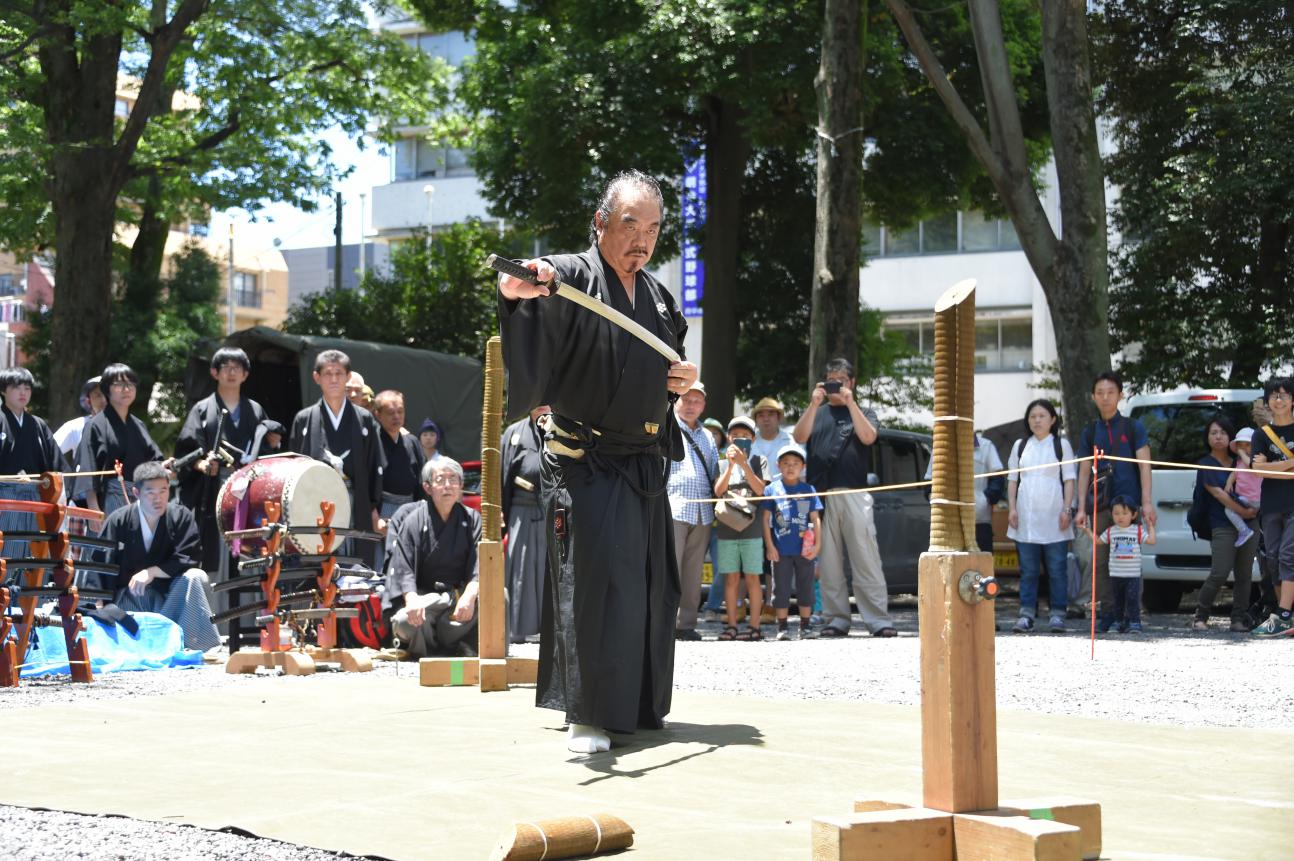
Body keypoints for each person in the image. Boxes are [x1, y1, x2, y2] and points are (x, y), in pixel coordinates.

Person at [496, 168, 696, 754]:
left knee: (650, 587)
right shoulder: (575, 276)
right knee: (592, 584)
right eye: (630, 224)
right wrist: (519, 289)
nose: (642, 239)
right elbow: (529, 285)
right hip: (583, 462)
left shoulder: (657, 296)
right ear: (601, 222)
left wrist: (679, 379)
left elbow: (670, 368)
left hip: (642, 463)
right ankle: (584, 712)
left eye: (654, 228)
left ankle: (634, 706)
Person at [793, 358, 895, 638]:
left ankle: (877, 619)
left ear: (851, 382)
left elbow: (868, 437)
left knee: (866, 558)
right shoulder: (818, 412)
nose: (835, 384)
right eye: (830, 379)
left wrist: (851, 403)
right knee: (828, 562)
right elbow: (799, 436)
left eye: (840, 379)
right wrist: (814, 404)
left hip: (854, 492)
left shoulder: (864, 412)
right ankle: (836, 618)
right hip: (821, 495)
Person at [101, 461, 220, 651]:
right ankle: (165, 643)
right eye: (151, 492)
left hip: (169, 600)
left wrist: (152, 572)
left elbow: (190, 556)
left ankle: (198, 645)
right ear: (136, 493)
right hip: (132, 603)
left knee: (196, 576)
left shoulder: (180, 516)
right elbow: (100, 566)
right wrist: (101, 608)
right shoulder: (118, 520)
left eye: (163, 490)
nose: (159, 499)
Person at [172, 347, 269, 573]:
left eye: (238, 368)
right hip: (213, 488)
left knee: (247, 547)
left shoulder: (255, 410)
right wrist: (201, 464)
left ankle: (247, 605)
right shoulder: (202, 409)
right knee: (213, 549)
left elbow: (263, 453)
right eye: (226, 367)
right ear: (215, 372)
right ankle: (211, 606)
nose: (232, 373)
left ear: (245, 374)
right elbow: (185, 452)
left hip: (248, 491)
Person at [289, 349, 385, 567]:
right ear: (317, 377)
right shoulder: (304, 419)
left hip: (354, 497)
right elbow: (294, 468)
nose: (333, 379)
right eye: (327, 373)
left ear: (348, 377)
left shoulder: (364, 420)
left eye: (339, 373)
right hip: (315, 502)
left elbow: (374, 465)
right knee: (319, 562)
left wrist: (372, 506)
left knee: (354, 559)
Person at [1073, 371, 1154, 622]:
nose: (1105, 397)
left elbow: (1145, 465)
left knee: (1130, 561)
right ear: (1093, 397)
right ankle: (1108, 612)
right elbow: (1084, 469)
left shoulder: (1133, 427)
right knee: (1100, 562)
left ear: (1121, 394)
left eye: (1110, 392)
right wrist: (1080, 508)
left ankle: (1131, 615)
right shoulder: (1089, 431)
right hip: (1100, 504)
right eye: (1100, 393)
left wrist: (1147, 502)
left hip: (1129, 507)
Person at [385, 459, 481, 658]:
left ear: (461, 485)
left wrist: (470, 596)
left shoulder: (472, 519)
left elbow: (478, 563)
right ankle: (432, 653)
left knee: (500, 596)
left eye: (453, 479)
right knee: (404, 621)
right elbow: (404, 568)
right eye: (440, 480)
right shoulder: (413, 521)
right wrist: (412, 600)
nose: (448, 485)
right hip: (425, 600)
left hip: (458, 598)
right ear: (427, 488)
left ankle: (474, 649)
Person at [1005, 399, 1076, 634]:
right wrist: (1012, 508)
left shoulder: (1060, 444)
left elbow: (1069, 479)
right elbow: (1013, 479)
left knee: (1057, 568)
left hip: (1055, 517)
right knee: (1028, 569)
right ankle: (1026, 613)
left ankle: (1057, 613)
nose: (1037, 420)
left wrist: (1067, 509)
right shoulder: (1021, 445)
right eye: (1033, 416)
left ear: (1053, 420)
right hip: (1026, 516)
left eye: (1042, 416)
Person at [1193, 415, 1258, 631]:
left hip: (1250, 525)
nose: (1218, 437)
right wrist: (1246, 512)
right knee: (1220, 572)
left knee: (1244, 575)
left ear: (1231, 436)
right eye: (1213, 432)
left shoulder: (1241, 460)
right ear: (1207, 437)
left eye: (1222, 432)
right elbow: (1220, 495)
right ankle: (1200, 616)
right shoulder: (1205, 464)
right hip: (1222, 524)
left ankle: (1238, 619)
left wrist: (1252, 513)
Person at [78, 363, 164, 519]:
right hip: (109, 499)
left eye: (131, 384)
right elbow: (89, 469)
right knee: (109, 542)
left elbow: (154, 459)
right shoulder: (95, 425)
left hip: (140, 499)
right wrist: (93, 509)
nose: (127, 389)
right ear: (106, 389)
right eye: (120, 384)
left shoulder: (138, 425)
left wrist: (164, 467)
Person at [667, 379, 718, 641]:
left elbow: (714, 473)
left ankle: (685, 624)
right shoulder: (666, 427)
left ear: (703, 405)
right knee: (670, 570)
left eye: (697, 400)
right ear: (676, 400)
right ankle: (664, 624)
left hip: (703, 512)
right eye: (686, 399)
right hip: (673, 507)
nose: (691, 405)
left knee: (693, 571)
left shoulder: (708, 436)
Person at [713, 416, 767, 641]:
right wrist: (732, 464)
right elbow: (718, 491)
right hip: (727, 527)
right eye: (735, 436)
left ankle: (755, 627)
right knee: (731, 578)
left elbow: (761, 490)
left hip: (752, 528)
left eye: (745, 436)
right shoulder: (721, 462)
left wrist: (744, 464)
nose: (740, 439)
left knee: (754, 578)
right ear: (728, 438)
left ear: (753, 439)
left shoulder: (759, 460)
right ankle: (732, 625)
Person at [0, 368, 62, 561]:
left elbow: (55, 464)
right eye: (16, 387)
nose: (23, 393)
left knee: (35, 553)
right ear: (3, 390)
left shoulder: (38, 425)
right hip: (5, 496)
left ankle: (32, 591)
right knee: (8, 551)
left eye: (27, 388)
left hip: (36, 497)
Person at [762, 444, 822, 641]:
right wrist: (770, 546)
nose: (790, 467)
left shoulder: (808, 489)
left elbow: (815, 519)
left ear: (803, 466)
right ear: (778, 466)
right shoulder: (772, 489)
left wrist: (817, 545)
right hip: (780, 549)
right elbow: (765, 519)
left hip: (804, 549)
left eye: (795, 463)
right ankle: (783, 627)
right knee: (781, 589)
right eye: (786, 463)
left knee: (806, 587)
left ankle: (805, 626)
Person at [502, 406, 551, 643]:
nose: (541, 403)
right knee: (520, 566)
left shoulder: (563, 431)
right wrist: (502, 514)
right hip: (521, 510)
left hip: (554, 511)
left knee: (550, 569)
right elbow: (503, 476)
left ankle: (550, 629)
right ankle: (519, 629)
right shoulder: (514, 433)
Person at [1250, 377, 1294, 638]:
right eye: (1274, 395)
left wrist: (1269, 467)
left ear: (1292, 400)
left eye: (1284, 394)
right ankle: (1286, 615)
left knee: (1289, 555)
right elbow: (1257, 471)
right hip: (1271, 505)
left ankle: (1283, 614)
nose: (1279, 399)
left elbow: (1264, 468)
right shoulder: (1261, 434)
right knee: (1274, 559)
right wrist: (1288, 466)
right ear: (1267, 402)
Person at [923, 430, 1006, 553]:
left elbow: (998, 480)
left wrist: (984, 500)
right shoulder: (940, 447)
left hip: (979, 520)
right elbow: (929, 483)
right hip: (947, 523)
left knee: (980, 568)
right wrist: (936, 502)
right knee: (949, 567)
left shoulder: (986, 446)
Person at [1085, 496, 1156, 634]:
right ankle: (1118, 623)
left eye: (1124, 513)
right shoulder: (1111, 531)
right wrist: (1087, 530)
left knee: (1132, 599)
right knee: (1117, 600)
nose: (1120, 517)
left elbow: (1152, 541)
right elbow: (1099, 541)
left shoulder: (1137, 530)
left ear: (1134, 514)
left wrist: (1150, 526)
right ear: (1111, 514)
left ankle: (1134, 622)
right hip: (1116, 574)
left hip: (1132, 574)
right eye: (1116, 513)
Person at [372, 389, 425, 572]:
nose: (396, 416)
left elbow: (421, 479)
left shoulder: (411, 442)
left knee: (409, 561)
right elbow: (367, 482)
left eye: (400, 411)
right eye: (390, 412)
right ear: (377, 414)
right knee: (383, 565)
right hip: (383, 508)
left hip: (411, 507)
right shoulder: (372, 441)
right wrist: (374, 515)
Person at [1223, 427, 1262, 546]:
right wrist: (1229, 483)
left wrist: (1240, 452)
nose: (1244, 448)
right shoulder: (1239, 462)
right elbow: (1234, 473)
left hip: (1255, 498)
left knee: (1229, 510)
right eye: (1240, 445)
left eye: (1247, 445)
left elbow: (1250, 465)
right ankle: (1244, 530)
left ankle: (1245, 531)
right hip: (1243, 497)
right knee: (1229, 509)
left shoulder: (1256, 460)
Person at [750, 397, 794, 480]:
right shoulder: (749, 442)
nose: (766, 419)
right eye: (761, 416)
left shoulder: (791, 442)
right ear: (756, 420)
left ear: (778, 418)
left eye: (770, 415)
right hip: (754, 492)